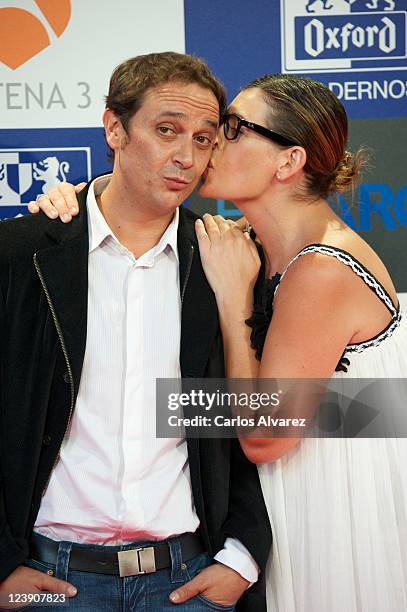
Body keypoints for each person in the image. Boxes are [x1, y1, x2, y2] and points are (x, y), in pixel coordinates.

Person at [38, 73, 407, 611]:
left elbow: (264, 435)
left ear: (288, 162)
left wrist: (234, 310)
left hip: (330, 506)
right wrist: (79, 202)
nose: (208, 143)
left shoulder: (320, 268)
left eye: (231, 128)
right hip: (275, 500)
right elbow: (364, 407)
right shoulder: (246, 245)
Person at [0, 52, 272, 612]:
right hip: (50, 582)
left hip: (191, 583)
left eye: (203, 139)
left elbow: (247, 421)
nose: (185, 157)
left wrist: (241, 557)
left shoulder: (228, 259)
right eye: (166, 130)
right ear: (114, 129)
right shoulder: (23, 253)